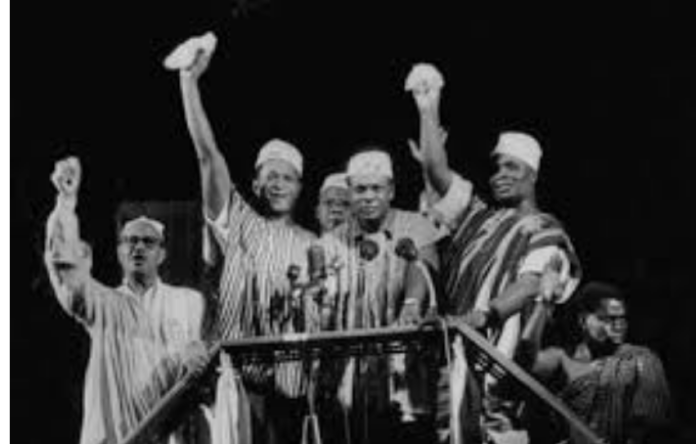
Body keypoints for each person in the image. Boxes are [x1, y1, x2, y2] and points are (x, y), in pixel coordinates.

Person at [405, 63, 581, 443]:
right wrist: (428, 107)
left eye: (511, 167)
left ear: (533, 174)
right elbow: (437, 171)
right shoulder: (478, 216)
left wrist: (484, 315)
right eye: (497, 166)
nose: (499, 173)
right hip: (458, 360)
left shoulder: (546, 229)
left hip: (507, 375)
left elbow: (531, 284)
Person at [170, 32, 317, 444]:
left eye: (287, 177)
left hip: (293, 394)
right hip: (236, 386)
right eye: (270, 176)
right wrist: (189, 82)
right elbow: (208, 157)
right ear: (255, 183)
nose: (278, 183)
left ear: (299, 187)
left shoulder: (314, 244)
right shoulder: (240, 223)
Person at [44, 157, 207, 444]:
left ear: (162, 254)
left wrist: (197, 357)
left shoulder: (188, 302)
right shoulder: (104, 304)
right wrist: (65, 202)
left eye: (148, 242)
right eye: (130, 241)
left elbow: (196, 369)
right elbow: (66, 272)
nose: (138, 247)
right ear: (120, 253)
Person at [316, 148, 443, 444]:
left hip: (405, 380)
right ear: (350, 193)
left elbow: (423, 266)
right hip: (350, 384)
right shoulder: (331, 241)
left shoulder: (415, 224)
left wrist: (412, 302)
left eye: (377, 188)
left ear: (391, 191)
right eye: (360, 189)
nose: (369, 197)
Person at [520, 281, 672, 444]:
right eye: (607, 319)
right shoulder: (562, 357)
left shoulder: (640, 359)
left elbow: (651, 425)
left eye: (621, 319)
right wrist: (544, 303)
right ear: (583, 320)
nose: (618, 326)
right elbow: (526, 361)